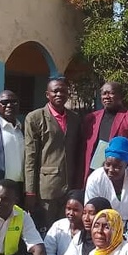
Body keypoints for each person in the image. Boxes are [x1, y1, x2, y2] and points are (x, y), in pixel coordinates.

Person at [24, 77, 82, 235]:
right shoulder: (35, 118)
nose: (59, 94)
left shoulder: (75, 118)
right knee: (47, 233)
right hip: (46, 189)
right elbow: (30, 156)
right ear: (47, 94)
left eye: (63, 91)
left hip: (70, 187)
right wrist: (30, 191)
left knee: (67, 231)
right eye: (55, 91)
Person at [81, 82, 128, 186]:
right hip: (94, 175)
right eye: (104, 93)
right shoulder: (91, 118)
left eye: (111, 93)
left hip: (119, 175)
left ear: (120, 96)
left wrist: (122, 164)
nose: (107, 97)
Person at [43, 189, 85, 255]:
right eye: (68, 208)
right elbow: (48, 251)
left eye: (76, 210)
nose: (71, 213)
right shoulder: (58, 225)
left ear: (84, 211)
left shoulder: (88, 231)